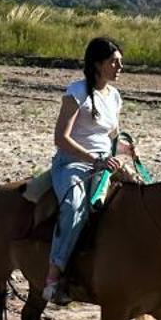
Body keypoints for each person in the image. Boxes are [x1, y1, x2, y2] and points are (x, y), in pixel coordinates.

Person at [44, 35, 136, 306]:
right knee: (74, 206)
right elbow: (61, 138)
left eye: (120, 62)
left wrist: (123, 156)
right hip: (72, 162)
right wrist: (93, 160)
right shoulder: (77, 92)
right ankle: (53, 276)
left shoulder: (115, 96)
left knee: (143, 195)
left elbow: (115, 137)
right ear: (98, 64)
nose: (120, 67)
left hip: (105, 162)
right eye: (114, 62)